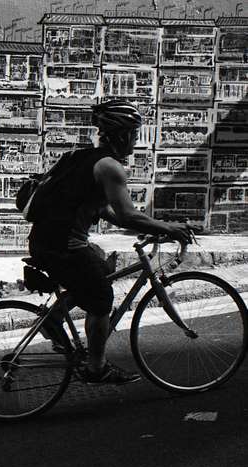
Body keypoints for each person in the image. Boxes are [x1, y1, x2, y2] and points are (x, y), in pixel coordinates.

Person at [29, 99, 197, 384]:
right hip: (63, 247)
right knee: (102, 299)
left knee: (101, 271)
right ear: (122, 135)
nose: (135, 140)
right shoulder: (110, 167)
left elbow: (107, 211)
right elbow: (127, 214)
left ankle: (53, 320)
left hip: (46, 240)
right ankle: (97, 369)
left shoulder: (83, 157)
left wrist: (152, 226)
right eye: (134, 134)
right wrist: (168, 227)